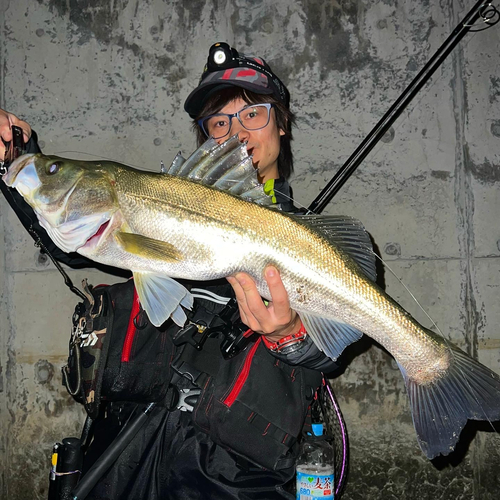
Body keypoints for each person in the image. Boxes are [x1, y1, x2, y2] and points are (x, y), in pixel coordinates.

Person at [0, 42, 339, 499]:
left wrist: (292, 334)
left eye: (253, 114)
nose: (237, 132)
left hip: (232, 478)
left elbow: (332, 349)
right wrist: (20, 159)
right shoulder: (161, 205)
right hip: (125, 452)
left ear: (281, 122)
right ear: (206, 137)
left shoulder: (312, 244)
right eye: (220, 121)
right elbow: (74, 239)